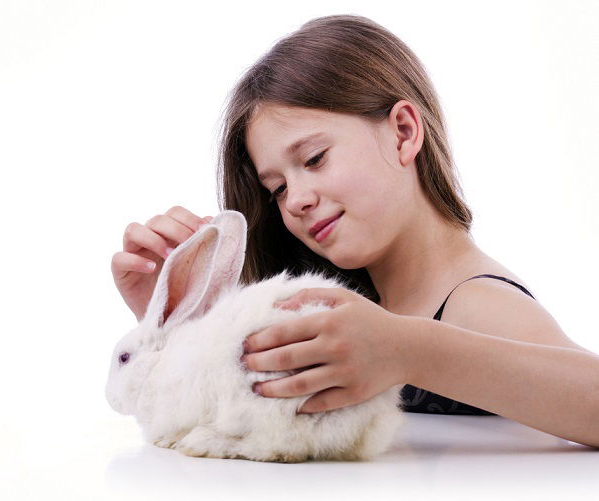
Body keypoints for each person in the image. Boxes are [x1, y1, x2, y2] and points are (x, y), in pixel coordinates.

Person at [111, 15, 599, 448]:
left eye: (314, 159)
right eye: (277, 188)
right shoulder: (359, 303)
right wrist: (168, 333)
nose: (296, 199)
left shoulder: (475, 302)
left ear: (404, 132)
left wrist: (407, 350)